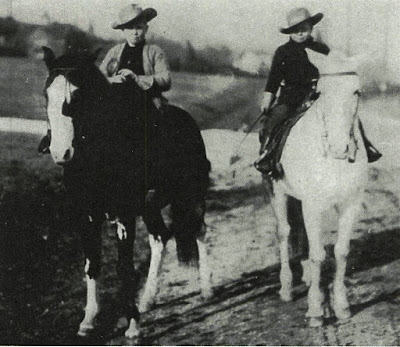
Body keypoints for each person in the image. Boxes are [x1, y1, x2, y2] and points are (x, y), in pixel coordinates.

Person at [255, 7, 381, 174]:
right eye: (295, 30)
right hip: (291, 98)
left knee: (349, 117)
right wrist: (267, 98)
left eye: (304, 29)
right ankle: (267, 156)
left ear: (311, 28)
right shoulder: (283, 52)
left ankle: (366, 146)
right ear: (289, 32)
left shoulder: (321, 49)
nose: (300, 34)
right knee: (275, 119)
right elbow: (273, 80)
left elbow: (335, 71)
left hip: (319, 96)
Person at [99, 3, 171, 111]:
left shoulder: (154, 52)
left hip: (145, 105)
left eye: (139, 28)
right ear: (123, 30)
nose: (135, 32)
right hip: (115, 103)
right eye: (129, 28)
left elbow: (166, 80)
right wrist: (112, 79)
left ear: (146, 29)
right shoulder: (114, 52)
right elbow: (99, 77)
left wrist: (136, 78)